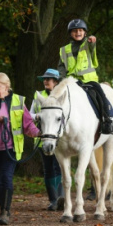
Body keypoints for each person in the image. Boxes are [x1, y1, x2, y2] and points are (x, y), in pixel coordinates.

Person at [0, 72, 40, 225]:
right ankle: (3, 208)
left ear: (6, 87)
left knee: (6, 177)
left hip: (10, 149)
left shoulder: (18, 101)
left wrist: (39, 134)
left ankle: (4, 212)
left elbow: (28, 125)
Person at [57, 18, 113, 135]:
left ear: (85, 32)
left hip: (89, 81)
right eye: (74, 31)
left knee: (100, 95)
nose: (78, 33)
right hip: (72, 81)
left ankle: (107, 120)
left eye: (80, 30)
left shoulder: (88, 44)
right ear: (70, 33)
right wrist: (61, 81)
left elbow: (92, 46)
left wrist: (92, 41)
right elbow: (61, 67)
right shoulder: (63, 50)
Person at [30, 68, 64, 211]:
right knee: (48, 168)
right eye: (44, 79)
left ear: (56, 82)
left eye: (48, 79)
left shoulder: (62, 97)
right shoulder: (38, 96)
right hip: (43, 138)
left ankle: (61, 197)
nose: (45, 81)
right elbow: (29, 115)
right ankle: (53, 200)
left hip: (58, 140)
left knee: (58, 167)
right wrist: (38, 116)